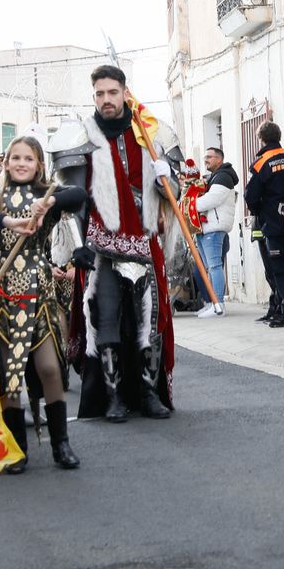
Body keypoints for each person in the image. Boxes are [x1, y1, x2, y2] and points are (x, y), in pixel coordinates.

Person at [53, 65, 180, 422]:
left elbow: (175, 193)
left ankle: (147, 393)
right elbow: (69, 200)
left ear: (125, 92)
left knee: (149, 320)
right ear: (93, 96)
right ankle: (112, 397)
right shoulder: (81, 137)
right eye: (99, 94)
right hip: (100, 243)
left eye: (112, 92)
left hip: (144, 239)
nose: (106, 100)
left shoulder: (151, 134)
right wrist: (78, 246)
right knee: (105, 320)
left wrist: (166, 181)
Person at [0, 136, 86, 471]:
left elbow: (78, 195)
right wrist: (8, 221)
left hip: (40, 292)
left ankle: (61, 444)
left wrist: (49, 204)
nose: (20, 163)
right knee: (10, 374)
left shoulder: (47, 195)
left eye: (28, 159)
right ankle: (17, 448)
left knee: (48, 367)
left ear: (39, 165)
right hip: (5, 294)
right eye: (14, 157)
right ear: (5, 163)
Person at [244, 122, 284, 328]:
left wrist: (258, 211)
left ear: (261, 139)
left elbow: (250, 195)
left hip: (273, 223)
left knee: (280, 268)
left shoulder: (262, 162)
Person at [194, 146, 238, 318]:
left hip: (214, 227)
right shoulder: (215, 177)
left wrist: (191, 205)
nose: (206, 160)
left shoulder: (223, 177)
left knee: (214, 266)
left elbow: (212, 200)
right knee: (209, 268)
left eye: (209, 157)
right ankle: (213, 303)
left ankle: (218, 304)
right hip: (207, 227)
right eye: (205, 157)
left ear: (219, 159)